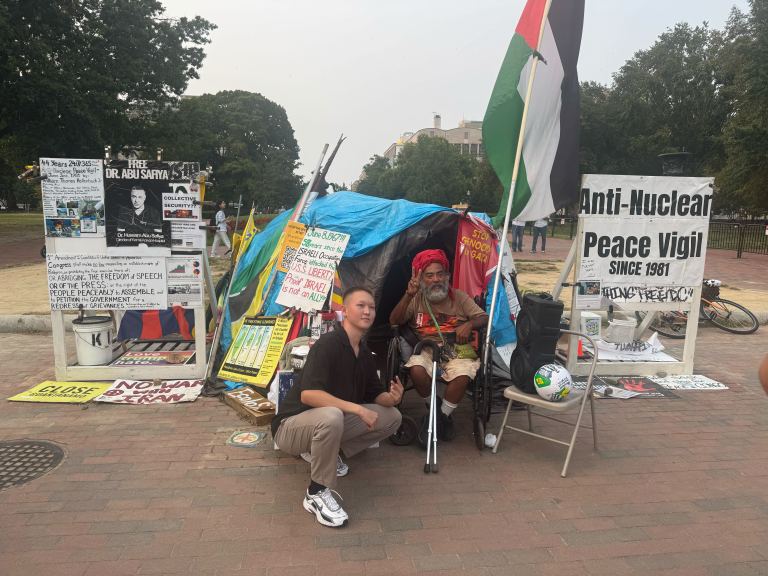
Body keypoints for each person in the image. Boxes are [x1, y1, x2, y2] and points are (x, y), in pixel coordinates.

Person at [271, 287, 404, 528]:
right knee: (332, 415)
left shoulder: (363, 351)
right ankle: (316, 492)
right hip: (290, 428)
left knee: (392, 417)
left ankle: (330, 454)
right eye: (360, 306)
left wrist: (392, 398)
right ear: (345, 311)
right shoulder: (328, 344)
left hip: (326, 423)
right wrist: (358, 409)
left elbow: (375, 394)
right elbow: (309, 395)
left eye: (371, 307)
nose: (367, 311)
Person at [389, 249, 488, 443]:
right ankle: (437, 412)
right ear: (421, 278)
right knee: (416, 369)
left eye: (440, 274)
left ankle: (440, 418)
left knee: (462, 375)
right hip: (426, 351)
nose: (436, 279)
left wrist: (469, 324)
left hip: (456, 352)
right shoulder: (416, 298)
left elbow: (483, 317)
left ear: (447, 276)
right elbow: (394, 321)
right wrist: (408, 296)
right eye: (430, 275)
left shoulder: (459, 297)